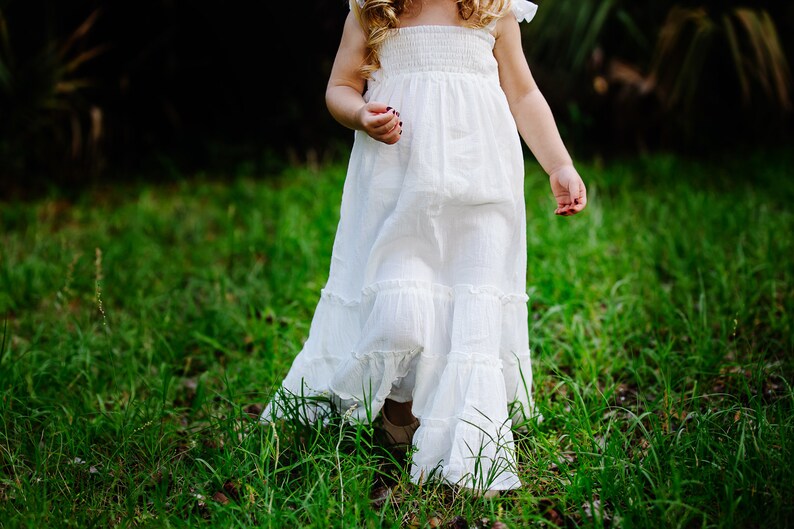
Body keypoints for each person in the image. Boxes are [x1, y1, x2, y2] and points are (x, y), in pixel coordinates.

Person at [261, 0, 587, 495]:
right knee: (401, 314)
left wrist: (558, 164)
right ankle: (398, 409)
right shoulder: (372, 11)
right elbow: (340, 87)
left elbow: (522, 93)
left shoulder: (492, 9)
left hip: (481, 188)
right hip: (401, 194)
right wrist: (360, 113)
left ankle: (469, 437)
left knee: (469, 313)